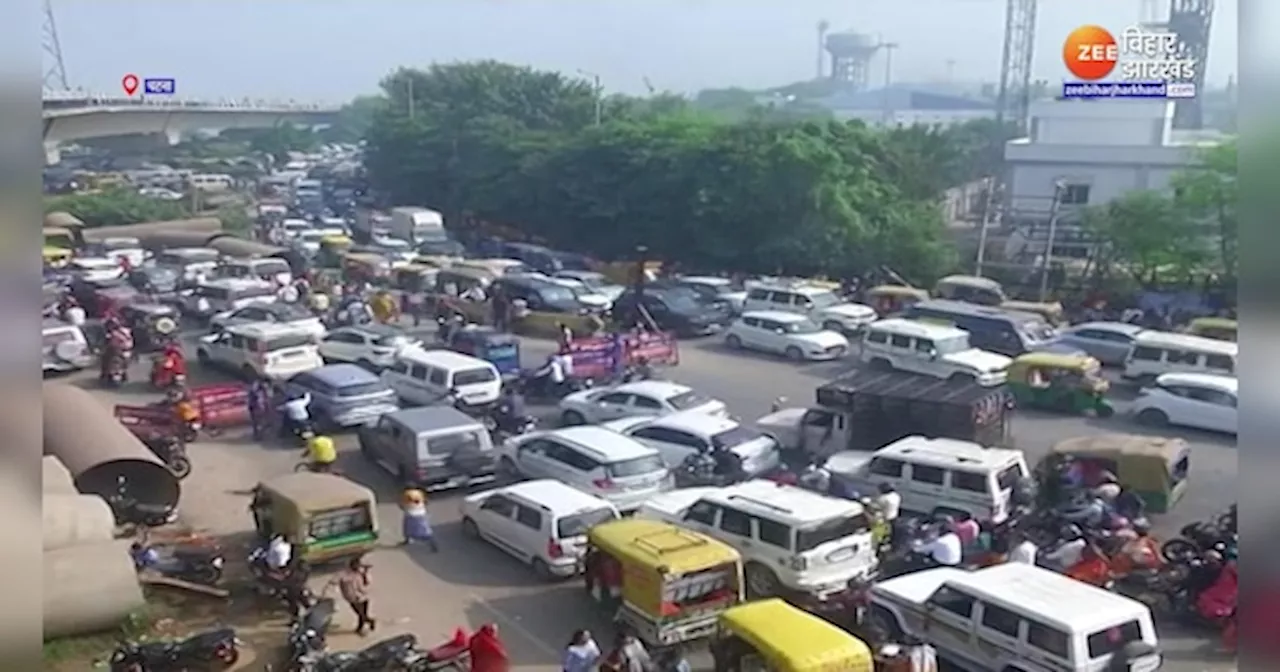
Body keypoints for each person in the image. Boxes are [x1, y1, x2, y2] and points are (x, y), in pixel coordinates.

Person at [327, 556, 376, 636]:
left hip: (363, 597)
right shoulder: (343, 574)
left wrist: (365, 573)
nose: (357, 567)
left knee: (361, 615)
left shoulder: (361, 574)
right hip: (352, 598)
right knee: (361, 614)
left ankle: (360, 629)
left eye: (358, 566)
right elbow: (333, 582)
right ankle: (369, 622)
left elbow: (367, 583)